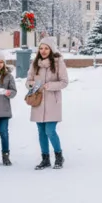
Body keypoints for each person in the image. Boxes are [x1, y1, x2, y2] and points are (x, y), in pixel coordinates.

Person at [27, 37, 69, 170]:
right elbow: (28, 81)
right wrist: (32, 84)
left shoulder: (58, 63)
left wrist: (49, 85)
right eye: (41, 48)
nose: (43, 51)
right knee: (41, 132)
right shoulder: (35, 63)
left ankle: (58, 156)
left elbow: (64, 82)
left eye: (46, 48)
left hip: (52, 102)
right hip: (38, 102)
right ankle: (45, 158)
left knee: (50, 131)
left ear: (51, 49)